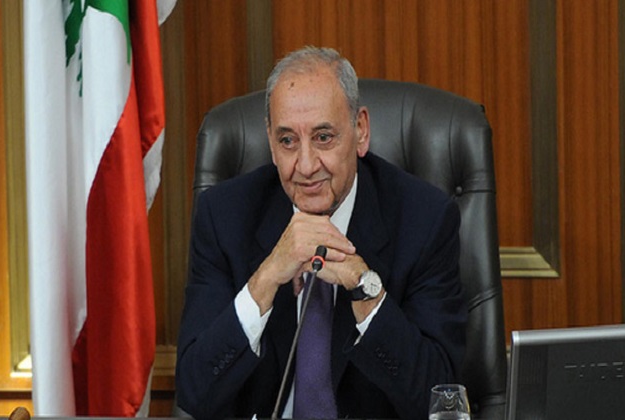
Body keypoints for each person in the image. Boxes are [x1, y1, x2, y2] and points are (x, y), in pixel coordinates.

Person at [175, 46, 467, 419]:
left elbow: (438, 399)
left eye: (323, 137)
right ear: (270, 142)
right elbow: (194, 391)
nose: (306, 165)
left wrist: (365, 289)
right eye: (287, 141)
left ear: (361, 131)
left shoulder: (424, 219)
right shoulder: (224, 216)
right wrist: (265, 279)